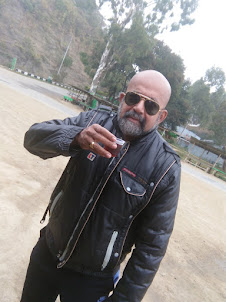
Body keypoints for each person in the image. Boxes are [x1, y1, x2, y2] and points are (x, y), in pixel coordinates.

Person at [21, 70, 181, 302]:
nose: (139, 108)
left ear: (161, 116)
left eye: (151, 106)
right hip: (47, 252)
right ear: (121, 98)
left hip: (92, 282)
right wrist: (76, 138)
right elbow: (32, 139)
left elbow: (152, 248)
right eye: (134, 98)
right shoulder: (91, 122)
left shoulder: (166, 166)